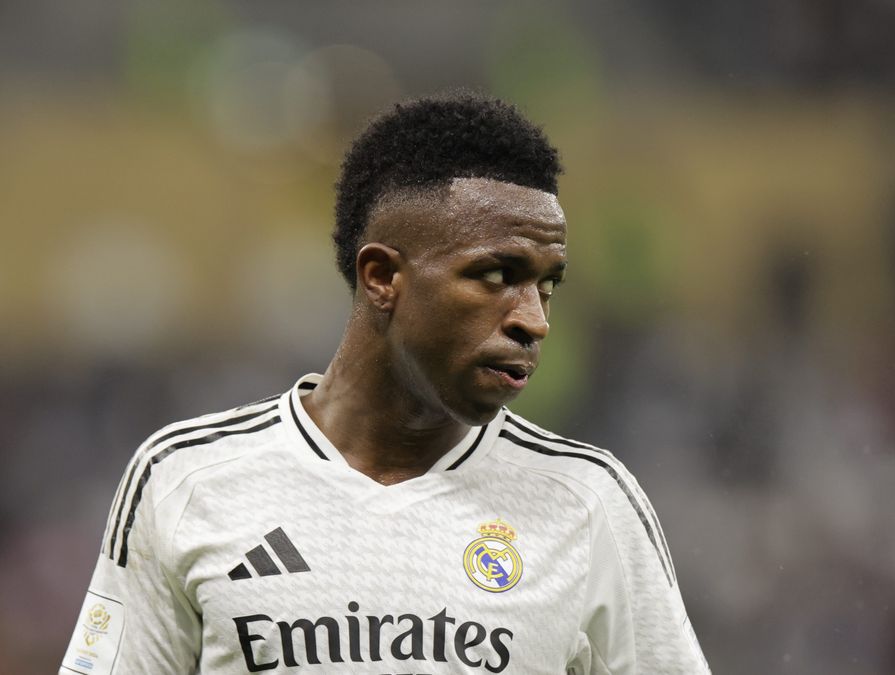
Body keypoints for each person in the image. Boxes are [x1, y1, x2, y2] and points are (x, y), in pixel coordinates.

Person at [60, 93, 709, 674]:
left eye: (546, 285)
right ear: (381, 277)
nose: (533, 320)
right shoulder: (187, 479)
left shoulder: (587, 501)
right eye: (496, 275)